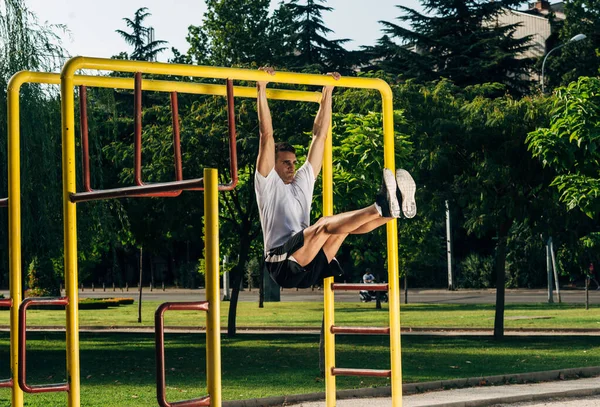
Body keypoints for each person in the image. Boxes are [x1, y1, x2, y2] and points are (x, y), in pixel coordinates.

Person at [254, 67, 417, 289]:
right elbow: (266, 136)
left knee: (342, 227)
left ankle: (390, 211)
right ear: (272, 165)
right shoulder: (266, 182)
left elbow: (320, 135)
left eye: (293, 162)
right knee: (323, 224)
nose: (292, 167)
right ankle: (380, 205)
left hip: (308, 265)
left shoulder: (303, 180)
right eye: (285, 163)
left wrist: (327, 92)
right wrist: (261, 87)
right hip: (281, 265)